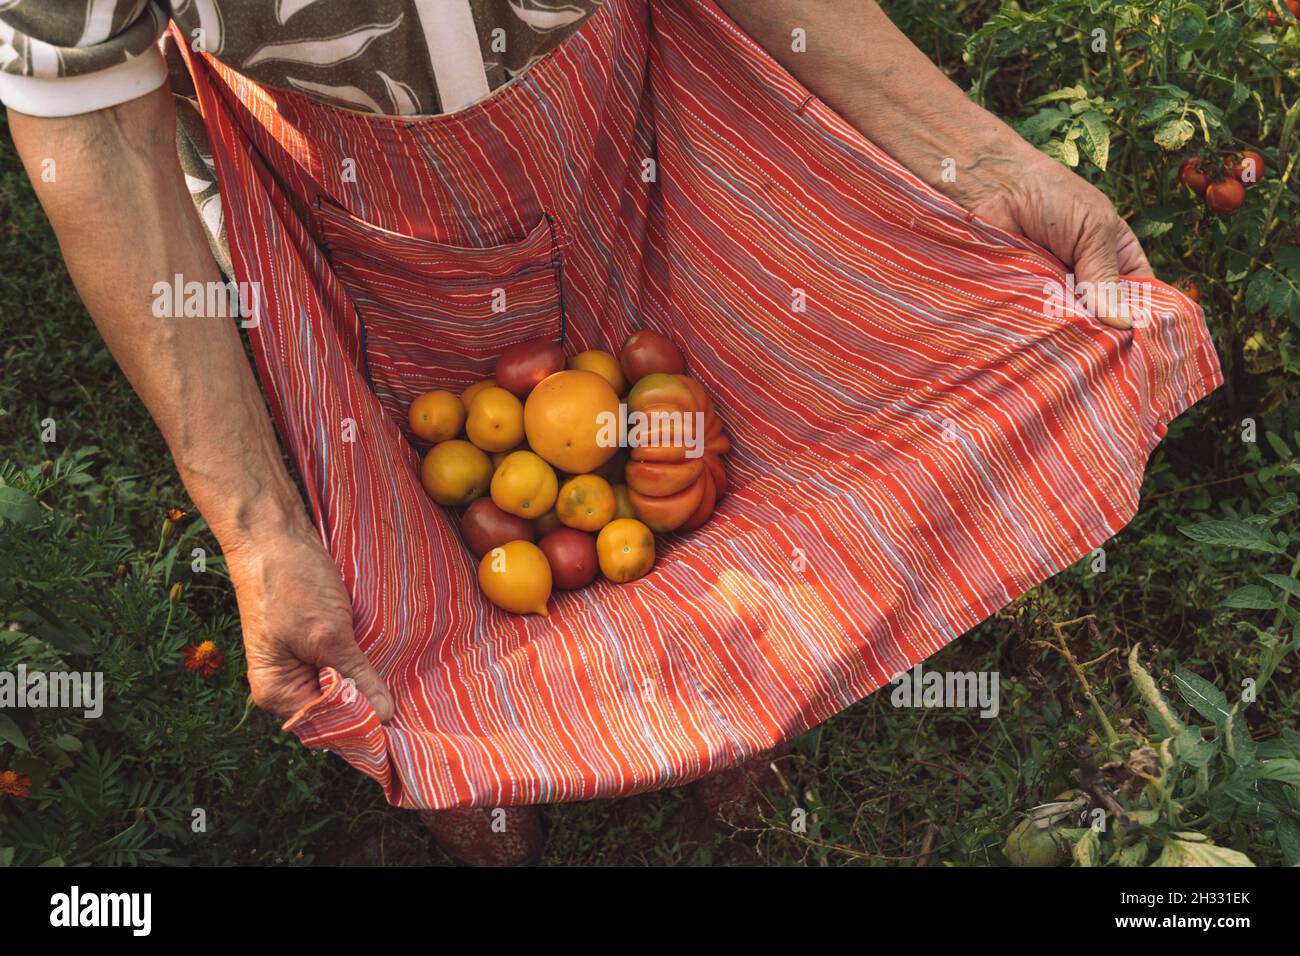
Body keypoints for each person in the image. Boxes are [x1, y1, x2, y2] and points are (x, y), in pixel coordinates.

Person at [2, 0, 1152, 865]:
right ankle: (477, 746)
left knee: (690, 462)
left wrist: (977, 160)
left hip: (614, 112)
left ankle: (724, 690)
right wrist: (254, 527)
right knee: (387, 524)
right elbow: (83, 106)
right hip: (320, 180)